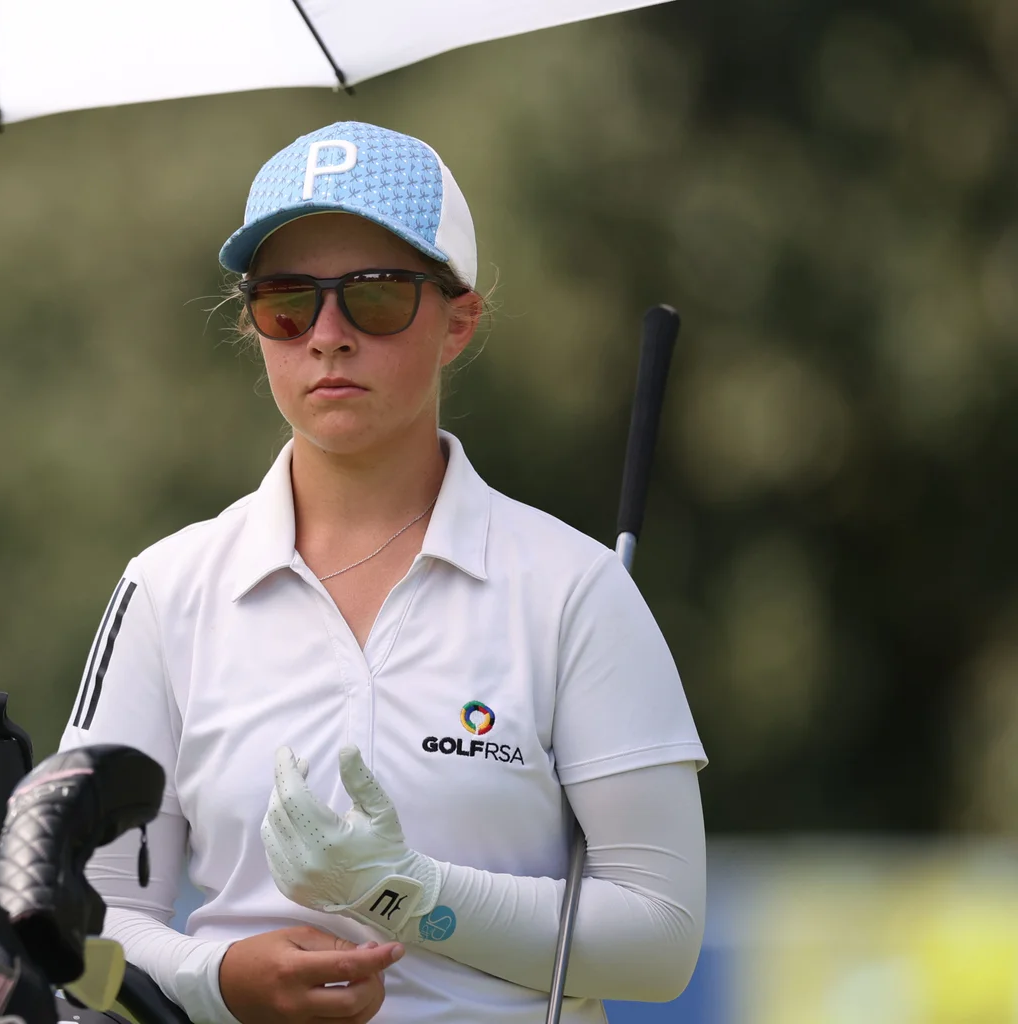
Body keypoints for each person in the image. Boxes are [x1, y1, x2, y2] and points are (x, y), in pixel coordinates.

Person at [56, 122, 707, 1024]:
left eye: (375, 297)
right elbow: (74, 940)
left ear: (458, 320)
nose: (327, 336)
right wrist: (223, 981)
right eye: (288, 302)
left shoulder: (576, 591)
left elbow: (663, 942)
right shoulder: (167, 590)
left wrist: (408, 892)